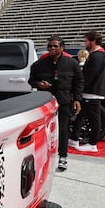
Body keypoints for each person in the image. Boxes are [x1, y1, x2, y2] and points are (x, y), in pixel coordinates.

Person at [29, 35, 83, 172]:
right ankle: (44, 156)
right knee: (44, 130)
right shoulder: (39, 64)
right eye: (50, 46)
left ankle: (63, 157)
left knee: (63, 130)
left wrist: (77, 99)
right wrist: (39, 84)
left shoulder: (72, 64)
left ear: (62, 48)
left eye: (55, 46)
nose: (52, 48)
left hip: (64, 101)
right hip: (45, 102)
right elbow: (31, 81)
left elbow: (79, 82)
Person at [69, 30, 105, 152]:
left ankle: (92, 144)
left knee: (93, 119)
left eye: (86, 41)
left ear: (93, 41)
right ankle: (74, 139)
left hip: (92, 92)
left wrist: (78, 89)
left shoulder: (97, 56)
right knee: (80, 116)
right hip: (90, 92)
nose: (84, 43)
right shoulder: (97, 55)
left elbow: (89, 76)